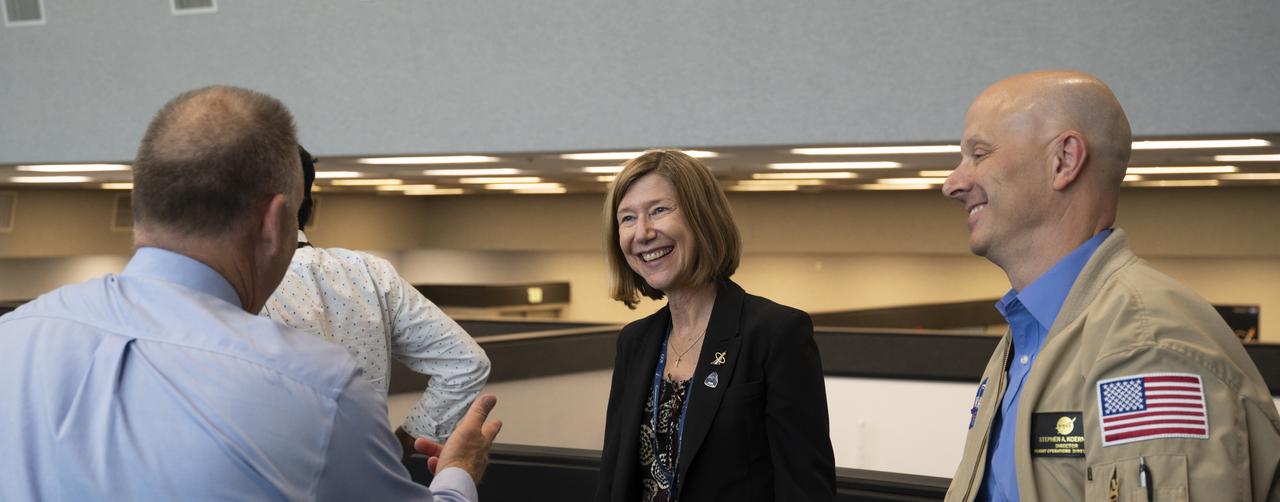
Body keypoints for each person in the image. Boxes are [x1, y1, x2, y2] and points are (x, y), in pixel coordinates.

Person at [0, 85, 500, 501]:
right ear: (276, 219)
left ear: (142, 202)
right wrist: (457, 471)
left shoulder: (16, 337)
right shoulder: (319, 389)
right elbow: (464, 363)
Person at [941, 71, 1280, 501]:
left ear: (1064, 160)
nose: (952, 183)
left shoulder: (1146, 349)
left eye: (979, 154)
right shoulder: (1029, 338)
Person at [595, 149, 835, 501]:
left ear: (702, 218)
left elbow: (805, 488)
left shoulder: (776, 333)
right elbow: (614, 477)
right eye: (627, 218)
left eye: (659, 210)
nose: (642, 232)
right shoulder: (635, 341)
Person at [263, 146, 490, 456]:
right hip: (369, 475)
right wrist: (404, 444)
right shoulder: (370, 273)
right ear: (312, 210)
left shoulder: (239, 285)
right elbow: (467, 363)